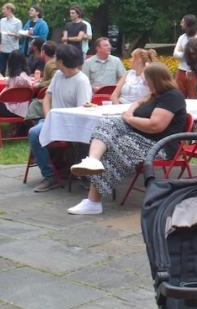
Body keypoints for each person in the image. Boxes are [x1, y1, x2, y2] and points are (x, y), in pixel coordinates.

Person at [67, 63, 188, 215]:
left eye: (147, 80)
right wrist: (129, 114)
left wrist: (129, 119)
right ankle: (93, 160)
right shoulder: (154, 94)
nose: (144, 83)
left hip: (160, 144)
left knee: (117, 147)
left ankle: (93, 202)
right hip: (140, 134)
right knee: (108, 122)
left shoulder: (172, 97)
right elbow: (136, 103)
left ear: (156, 79)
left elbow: (155, 126)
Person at [28, 45, 92, 192]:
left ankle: (57, 174)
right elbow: (47, 98)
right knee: (34, 132)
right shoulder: (58, 75)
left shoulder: (81, 81)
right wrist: (49, 116)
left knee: (35, 133)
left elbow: (81, 111)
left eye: (57, 58)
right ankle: (50, 175)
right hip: (54, 120)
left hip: (70, 124)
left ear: (61, 61)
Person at [173, 14, 197, 98]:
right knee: (179, 96)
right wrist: (188, 53)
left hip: (193, 72)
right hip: (181, 71)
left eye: (183, 22)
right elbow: (175, 54)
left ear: (189, 23)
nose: (181, 24)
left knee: (193, 96)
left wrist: (183, 52)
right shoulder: (182, 38)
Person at [0, 3, 23, 73]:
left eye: (4, 9)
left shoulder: (18, 22)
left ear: (9, 10)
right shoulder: (2, 20)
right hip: (3, 49)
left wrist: (12, 34)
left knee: (13, 70)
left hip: (13, 49)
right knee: (1, 69)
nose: (2, 11)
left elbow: (20, 36)